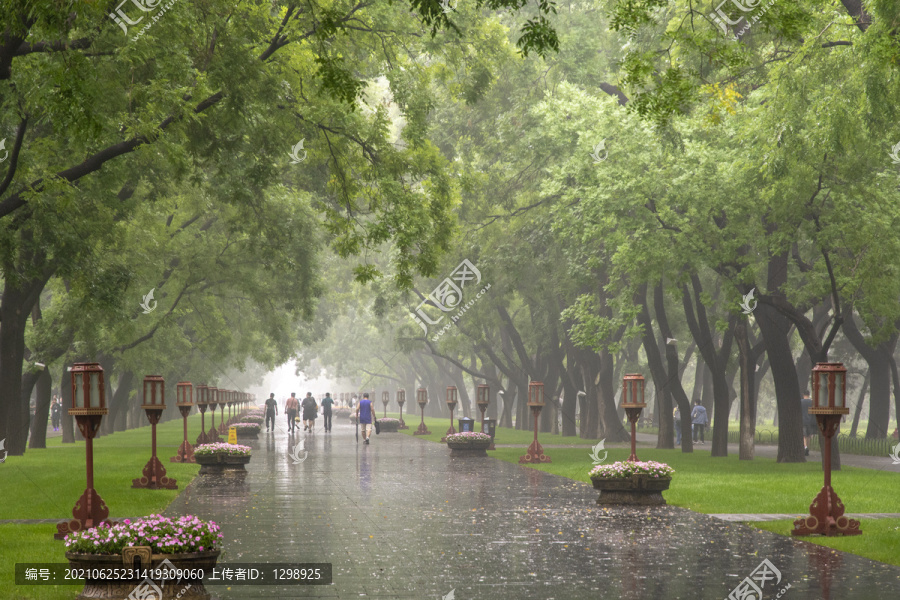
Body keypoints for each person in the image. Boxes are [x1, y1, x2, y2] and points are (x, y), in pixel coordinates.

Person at [800, 390, 816, 456]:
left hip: (802, 421)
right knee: (808, 436)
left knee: (803, 435)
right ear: (809, 394)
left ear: (803, 394)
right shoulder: (812, 402)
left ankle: (805, 447)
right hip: (810, 421)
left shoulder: (801, 402)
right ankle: (808, 448)